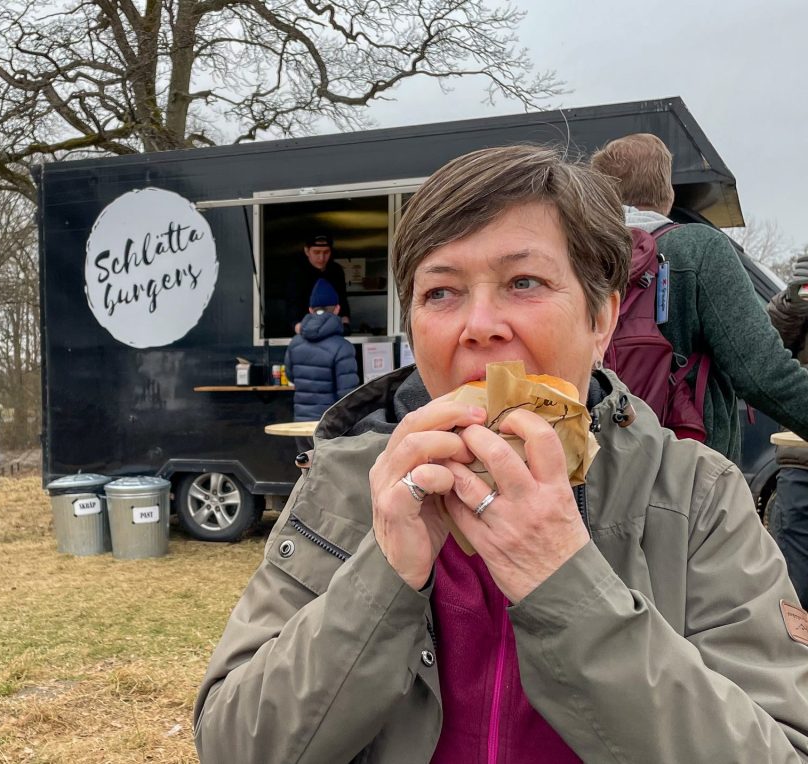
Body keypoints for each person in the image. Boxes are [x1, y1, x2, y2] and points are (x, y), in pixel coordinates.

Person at [193, 145, 808, 762]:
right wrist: (381, 578)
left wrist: (563, 582)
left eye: (524, 282)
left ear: (603, 318)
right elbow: (233, 746)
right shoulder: (348, 481)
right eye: (441, 292)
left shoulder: (695, 495)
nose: (479, 324)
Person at [591, 133, 808, 463]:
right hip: (690, 475)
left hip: (595, 465)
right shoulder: (698, 250)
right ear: (668, 193)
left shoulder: (578, 257)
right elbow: (762, 373)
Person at [767, 252, 808, 604]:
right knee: (794, 589)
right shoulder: (804, 294)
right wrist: (794, 298)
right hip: (801, 459)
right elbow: (767, 345)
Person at [284, 278, 360, 453]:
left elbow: (290, 377)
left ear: (310, 310)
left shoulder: (295, 343)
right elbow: (347, 395)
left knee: (307, 472)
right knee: (329, 475)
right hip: (330, 425)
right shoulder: (343, 347)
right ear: (338, 309)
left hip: (301, 424)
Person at [285, 233, 351, 334]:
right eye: (316, 252)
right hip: (305, 329)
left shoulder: (336, 271)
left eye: (326, 252)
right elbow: (293, 306)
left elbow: (342, 301)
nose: (321, 257)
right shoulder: (297, 273)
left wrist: (345, 325)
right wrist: (301, 330)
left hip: (333, 330)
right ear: (307, 251)